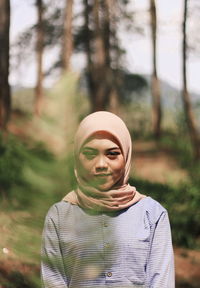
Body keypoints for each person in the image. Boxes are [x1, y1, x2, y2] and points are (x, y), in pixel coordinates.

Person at [41, 111, 175, 288]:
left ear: (126, 156)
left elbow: (161, 282)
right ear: (76, 158)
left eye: (112, 154)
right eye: (89, 154)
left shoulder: (153, 215)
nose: (101, 165)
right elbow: (53, 280)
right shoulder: (59, 216)